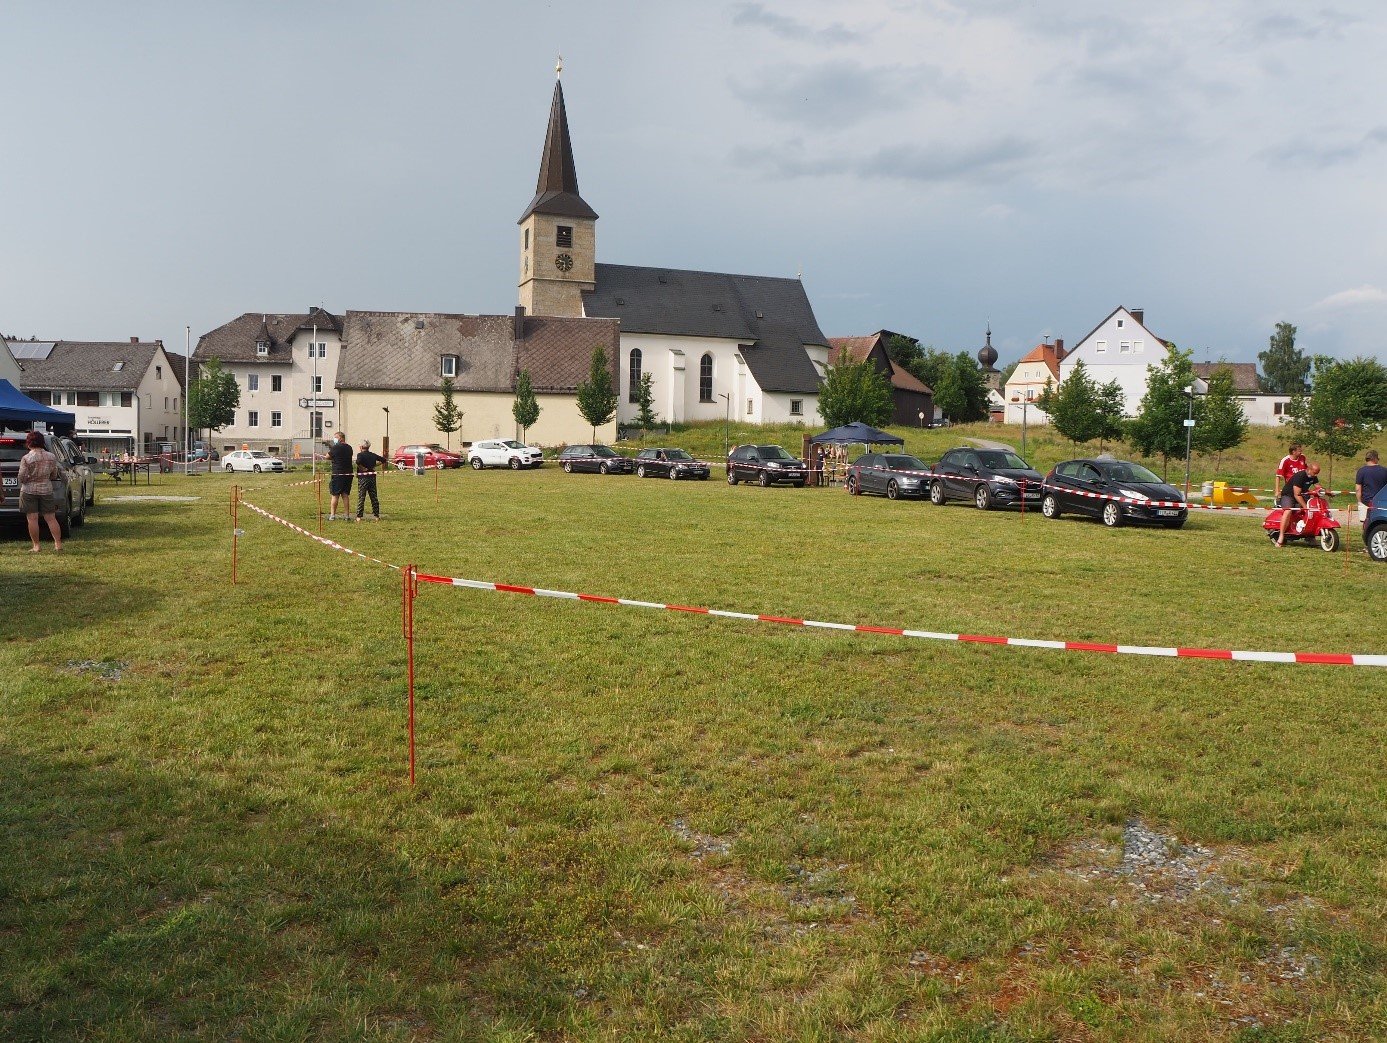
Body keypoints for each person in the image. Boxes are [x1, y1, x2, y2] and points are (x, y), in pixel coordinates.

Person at [16, 430, 63, 553]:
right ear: (42, 442)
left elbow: (21, 477)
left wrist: (27, 479)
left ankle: (36, 545)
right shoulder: (51, 457)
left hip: (29, 490)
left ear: (29, 443)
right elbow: (53, 475)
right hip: (46, 490)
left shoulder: (26, 458)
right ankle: (58, 544)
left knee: (32, 519)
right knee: (51, 518)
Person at [1276, 461, 1320, 547]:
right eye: (1315, 473)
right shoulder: (1300, 476)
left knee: (1313, 512)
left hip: (1301, 495)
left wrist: (1325, 491)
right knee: (1288, 511)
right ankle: (1281, 536)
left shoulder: (1313, 476)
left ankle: (1309, 536)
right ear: (1309, 469)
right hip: (1288, 495)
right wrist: (1305, 507)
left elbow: (1318, 486)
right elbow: (1296, 494)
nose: (1315, 475)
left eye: (1317, 473)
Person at [354, 439, 386, 521]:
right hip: (372, 477)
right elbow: (383, 460)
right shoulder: (373, 455)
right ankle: (376, 516)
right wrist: (374, 466)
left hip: (363, 478)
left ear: (361, 447)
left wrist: (362, 468)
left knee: (361, 496)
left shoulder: (360, 455)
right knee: (374, 497)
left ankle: (359, 517)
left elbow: (357, 462)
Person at [326, 431, 354, 520]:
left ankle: (332, 515)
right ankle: (347, 515)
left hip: (338, 473)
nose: (334, 439)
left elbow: (327, 456)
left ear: (341, 438)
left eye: (336, 437)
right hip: (348, 473)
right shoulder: (349, 447)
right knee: (345, 495)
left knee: (335, 495)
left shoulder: (336, 447)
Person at [1355, 449, 1387, 522]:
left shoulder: (1361, 471)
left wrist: (1360, 502)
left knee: (1367, 522)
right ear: (1375, 459)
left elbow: (1358, 489)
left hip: (1367, 501)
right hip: (1381, 501)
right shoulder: (1385, 471)